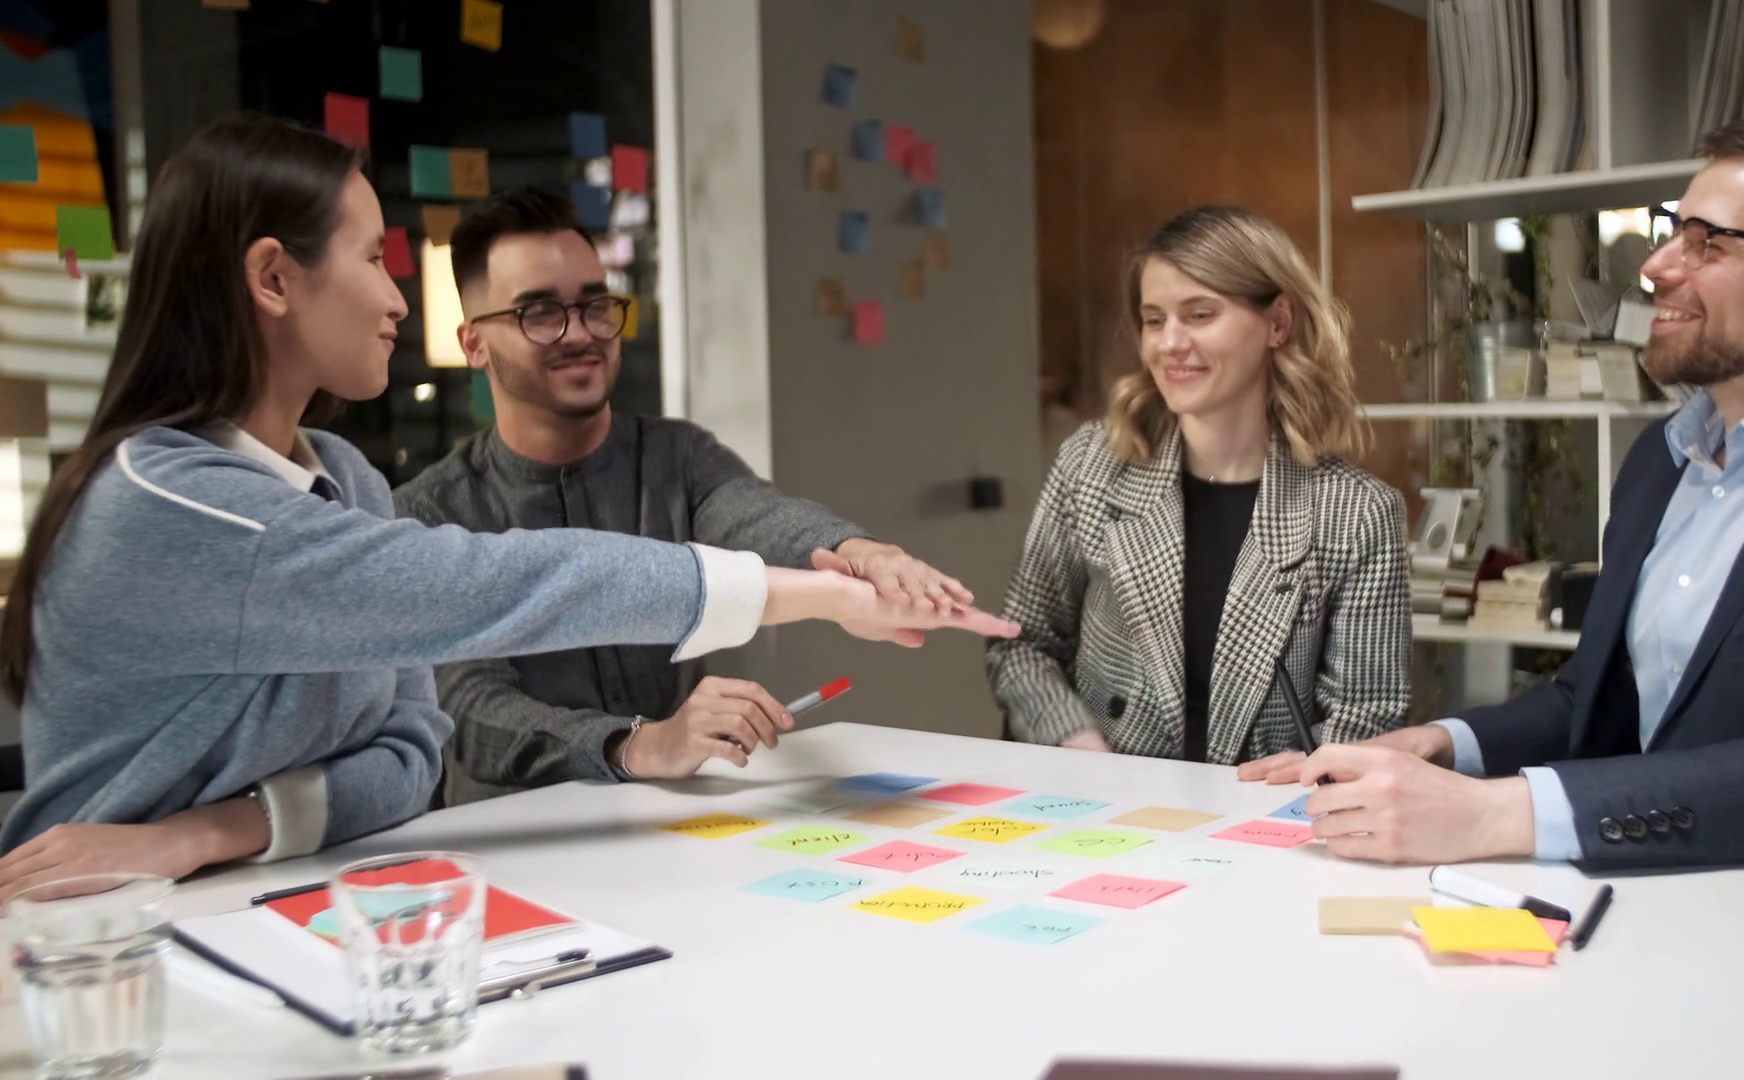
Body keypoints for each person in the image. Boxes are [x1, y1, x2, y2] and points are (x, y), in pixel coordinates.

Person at [0, 114, 1015, 900]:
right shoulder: (172, 503)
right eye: (371, 259)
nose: (396, 301)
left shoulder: (344, 481)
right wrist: (801, 610)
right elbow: (495, 600)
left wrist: (202, 832)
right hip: (103, 936)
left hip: (280, 900)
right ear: (273, 277)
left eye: (594, 304)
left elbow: (406, 756)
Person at [1240, 115, 1744, 870]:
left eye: (1709, 243)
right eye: (1673, 229)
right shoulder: (1663, 459)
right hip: (1664, 904)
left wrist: (1495, 814)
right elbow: (1599, 699)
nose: (1657, 266)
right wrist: (1445, 746)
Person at [395, 187, 978, 804]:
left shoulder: (676, 456)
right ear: (473, 343)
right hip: (513, 838)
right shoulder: (430, 513)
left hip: (676, 820)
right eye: (539, 313)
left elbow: (756, 516)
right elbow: (468, 707)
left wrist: (862, 553)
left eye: (595, 305)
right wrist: (638, 744)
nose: (581, 333)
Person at [987, 205, 1411, 763]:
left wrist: (1311, 770)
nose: (1168, 343)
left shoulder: (1358, 513)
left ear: (1278, 323)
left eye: (1200, 315)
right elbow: (1023, 644)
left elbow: (1368, 712)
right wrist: (1078, 745)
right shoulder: (1091, 466)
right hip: (1101, 801)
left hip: (1262, 809)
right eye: (1154, 319)